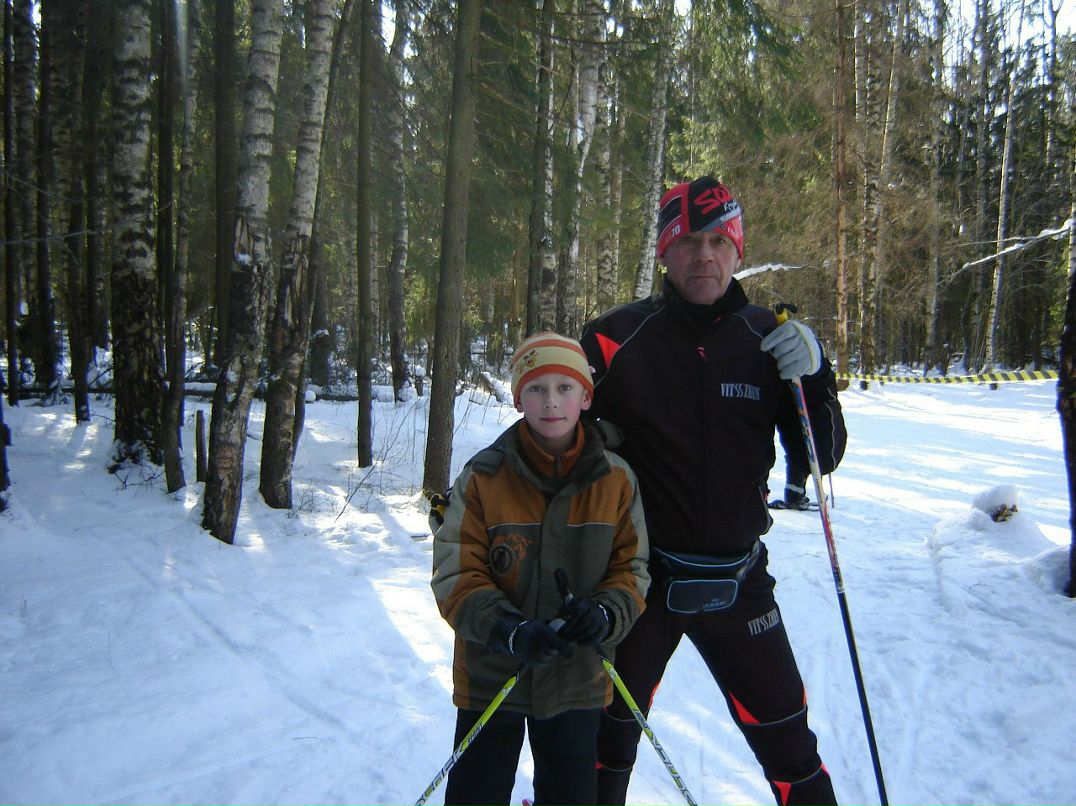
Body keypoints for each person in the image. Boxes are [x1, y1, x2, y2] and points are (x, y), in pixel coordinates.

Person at [580, 176, 847, 806]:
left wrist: (814, 376)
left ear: (737, 250)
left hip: (739, 580)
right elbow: (549, 426)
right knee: (602, 747)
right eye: (688, 242)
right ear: (664, 251)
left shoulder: (768, 338)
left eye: (718, 242)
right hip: (640, 581)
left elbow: (822, 454)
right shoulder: (615, 337)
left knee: (789, 743)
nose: (704, 256)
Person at [430, 331, 651, 806]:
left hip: (578, 677)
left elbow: (632, 568)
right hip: (492, 675)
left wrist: (606, 613)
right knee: (476, 791)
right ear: (517, 398)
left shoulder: (615, 479)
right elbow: (456, 572)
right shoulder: (483, 477)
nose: (551, 401)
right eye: (536, 388)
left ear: (586, 397)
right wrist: (506, 629)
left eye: (565, 387)